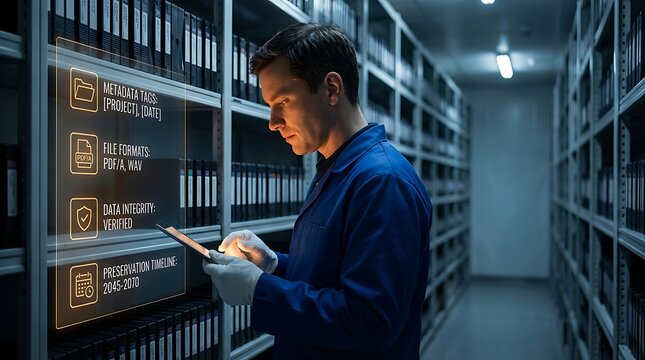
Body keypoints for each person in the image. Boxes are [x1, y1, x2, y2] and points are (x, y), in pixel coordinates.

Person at [202, 22, 432, 359]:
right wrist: (272, 265)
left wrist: (259, 289)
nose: (272, 122)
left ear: (332, 89)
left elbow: (372, 321)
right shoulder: (335, 167)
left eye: (283, 101)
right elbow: (335, 273)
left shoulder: (383, 183)